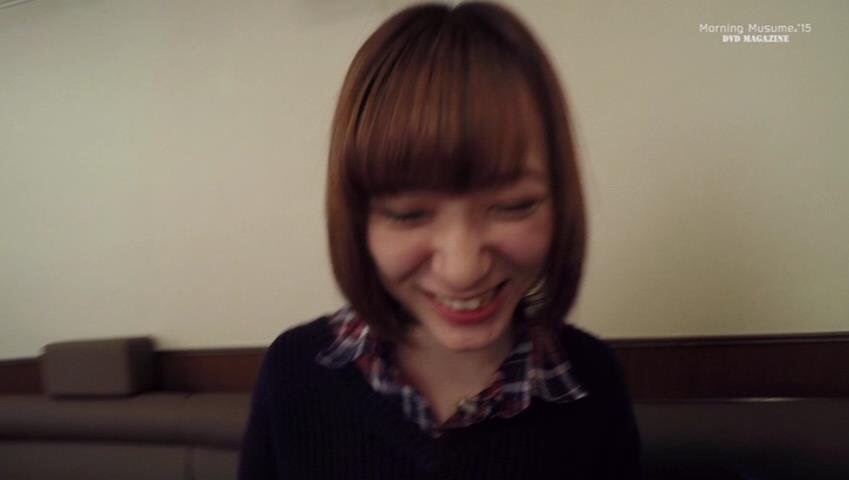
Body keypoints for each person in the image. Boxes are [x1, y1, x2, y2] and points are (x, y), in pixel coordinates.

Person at [238, 2, 641, 478]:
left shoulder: (593, 381)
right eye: (408, 214)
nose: (462, 269)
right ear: (358, 220)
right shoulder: (294, 372)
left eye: (514, 206)